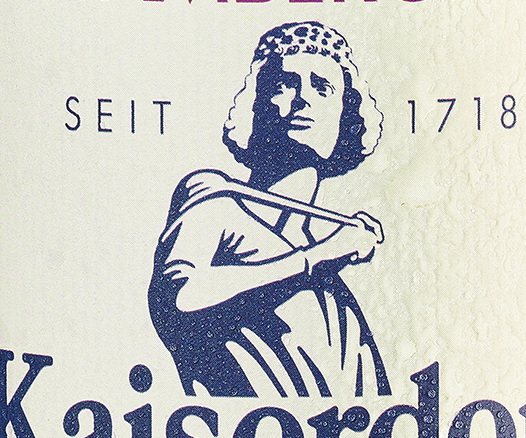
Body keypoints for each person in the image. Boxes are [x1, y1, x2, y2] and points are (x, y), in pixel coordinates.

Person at [149, 20, 390, 399]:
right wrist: (317, 257)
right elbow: (177, 299)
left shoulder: (334, 291)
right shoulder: (215, 199)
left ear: (346, 115)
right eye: (284, 84)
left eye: (323, 88)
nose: (303, 99)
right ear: (257, 103)